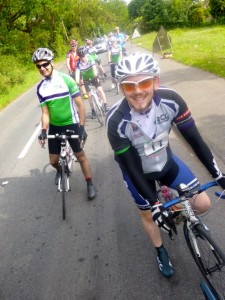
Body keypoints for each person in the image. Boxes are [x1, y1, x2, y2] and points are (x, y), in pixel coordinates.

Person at [106, 52, 225, 277]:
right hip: (138, 172)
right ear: (122, 88)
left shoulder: (172, 100)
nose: (138, 90)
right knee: (149, 216)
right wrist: (154, 204)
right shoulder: (116, 120)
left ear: (155, 82)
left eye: (144, 82)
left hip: (166, 161)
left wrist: (218, 175)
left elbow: (195, 140)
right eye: (130, 86)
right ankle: (160, 250)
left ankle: (175, 211)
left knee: (202, 204)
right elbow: (130, 165)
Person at [32, 47, 96, 200]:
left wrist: (81, 127)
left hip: (71, 123)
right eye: (38, 66)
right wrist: (43, 129)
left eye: (45, 64)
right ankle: (61, 170)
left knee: (80, 156)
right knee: (53, 161)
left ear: (51, 62)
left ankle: (90, 183)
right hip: (55, 126)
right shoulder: (41, 88)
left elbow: (80, 105)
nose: (42, 68)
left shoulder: (66, 80)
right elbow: (45, 113)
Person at [75, 46, 109, 119]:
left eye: (83, 56)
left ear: (86, 54)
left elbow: (94, 68)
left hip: (94, 77)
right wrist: (77, 82)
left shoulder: (90, 59)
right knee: (89, 95)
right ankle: (93, 110)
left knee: (100, 90)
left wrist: (95, 75)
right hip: (86, 80)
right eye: (81, 56)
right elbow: (77, 73)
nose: (82, 58)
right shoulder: (78, 63)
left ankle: (105, 104)